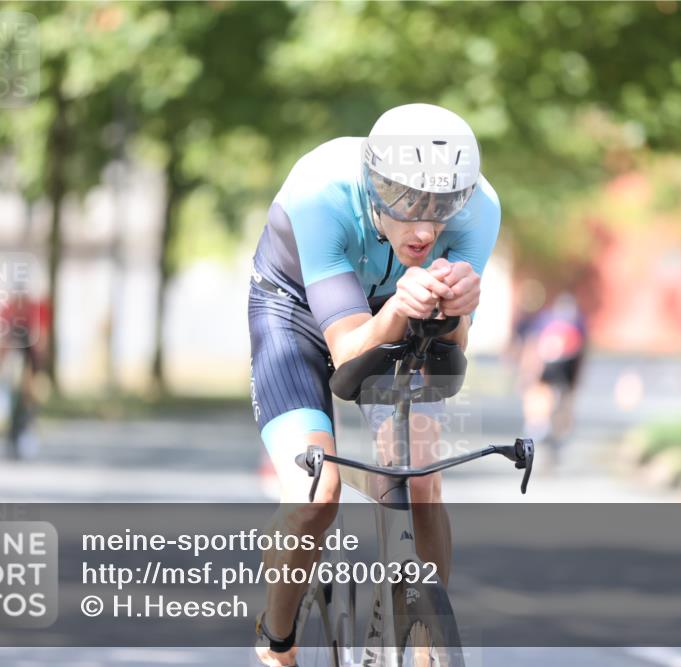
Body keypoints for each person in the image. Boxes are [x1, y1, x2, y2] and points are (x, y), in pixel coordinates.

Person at [248, 103, 500, 666]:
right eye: (409, 202)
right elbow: (346, 355)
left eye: (441, 208)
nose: (425, 227)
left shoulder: (479, 208)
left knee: (420, 476)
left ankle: (425, 633)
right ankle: (277, 641)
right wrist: (396, 314)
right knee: (317, 494)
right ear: (375, 185)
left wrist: (458, 312)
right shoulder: (322, 192)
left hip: (396, 305)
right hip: (294, 307)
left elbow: (453, 351)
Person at [515, 292, 587, 458]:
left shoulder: (545, 319)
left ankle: (539, 428)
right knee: (562, 400)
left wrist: (527, 373)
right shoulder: (577, 322)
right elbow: (582, 352)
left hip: (550, 364)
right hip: (565, 366)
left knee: (541, 394)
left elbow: (533, 346)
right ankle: (556, 433)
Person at [0, 283, 50, 459]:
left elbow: (40, 336)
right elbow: (2, 338)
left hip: (27, 360)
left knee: (25, 401)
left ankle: (22, 431)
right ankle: (16, 433)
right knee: (18, 401)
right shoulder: (10, 309)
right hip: (16, 361)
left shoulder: (32, 308)